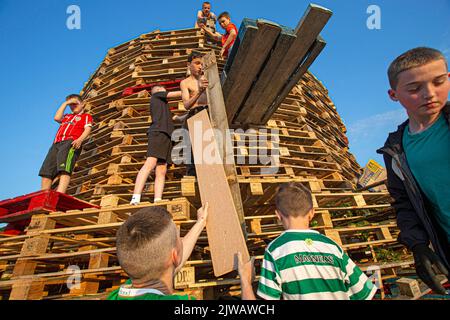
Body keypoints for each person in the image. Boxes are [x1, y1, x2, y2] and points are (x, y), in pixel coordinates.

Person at [377, 47, 450, 295]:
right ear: (393, 95)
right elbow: (404, 203)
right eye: (414, 89)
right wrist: (418, 245)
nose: (430, 94)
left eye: (439, 81)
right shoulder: (395, 149)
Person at [238, 182, 377, 300]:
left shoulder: (275, 251)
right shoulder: (333, 247)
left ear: (278, 215)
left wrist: (245, 281)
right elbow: (365, 292)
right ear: (312, 212)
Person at [107, 203, 209, 300]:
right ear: (174, 256)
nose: (181, 240)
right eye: (178, 237)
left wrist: (200, 222)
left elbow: (171, 263)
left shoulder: (116, 295)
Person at [130, 86, 182, 205]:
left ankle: (157, 199)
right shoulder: (156, 95)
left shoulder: (163, 108)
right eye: (164, 90)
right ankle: (135, 197)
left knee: (162, 169)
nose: (165, 92)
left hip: (167, 136)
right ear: (159, 91)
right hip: (158, 133)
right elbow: (175, 94)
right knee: (150, 163)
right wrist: (192, 90)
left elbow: (176, 118)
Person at [39, 94, 93, 194]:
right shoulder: (67, 116)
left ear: (83, 104)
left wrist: (80, 139)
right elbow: (56, 118)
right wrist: (66, 103)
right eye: (71, 105)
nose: (73, 106)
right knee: (46, 172)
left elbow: (87, 128)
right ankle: (43, 196)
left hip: (70, 142)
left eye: (75, 103)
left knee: (65, 169)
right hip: (56, 143)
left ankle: (60, 193)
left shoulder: (86, 116)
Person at [180, 52, 209, 177]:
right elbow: (186, 105)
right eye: (197, 63)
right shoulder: (185, 83)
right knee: (192, 151)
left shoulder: (209, 78)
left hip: (209, 114)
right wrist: (199, 92)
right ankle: (193, 175)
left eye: (202, 64)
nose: (200, 66)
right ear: (189, 65)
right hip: (195, 115)